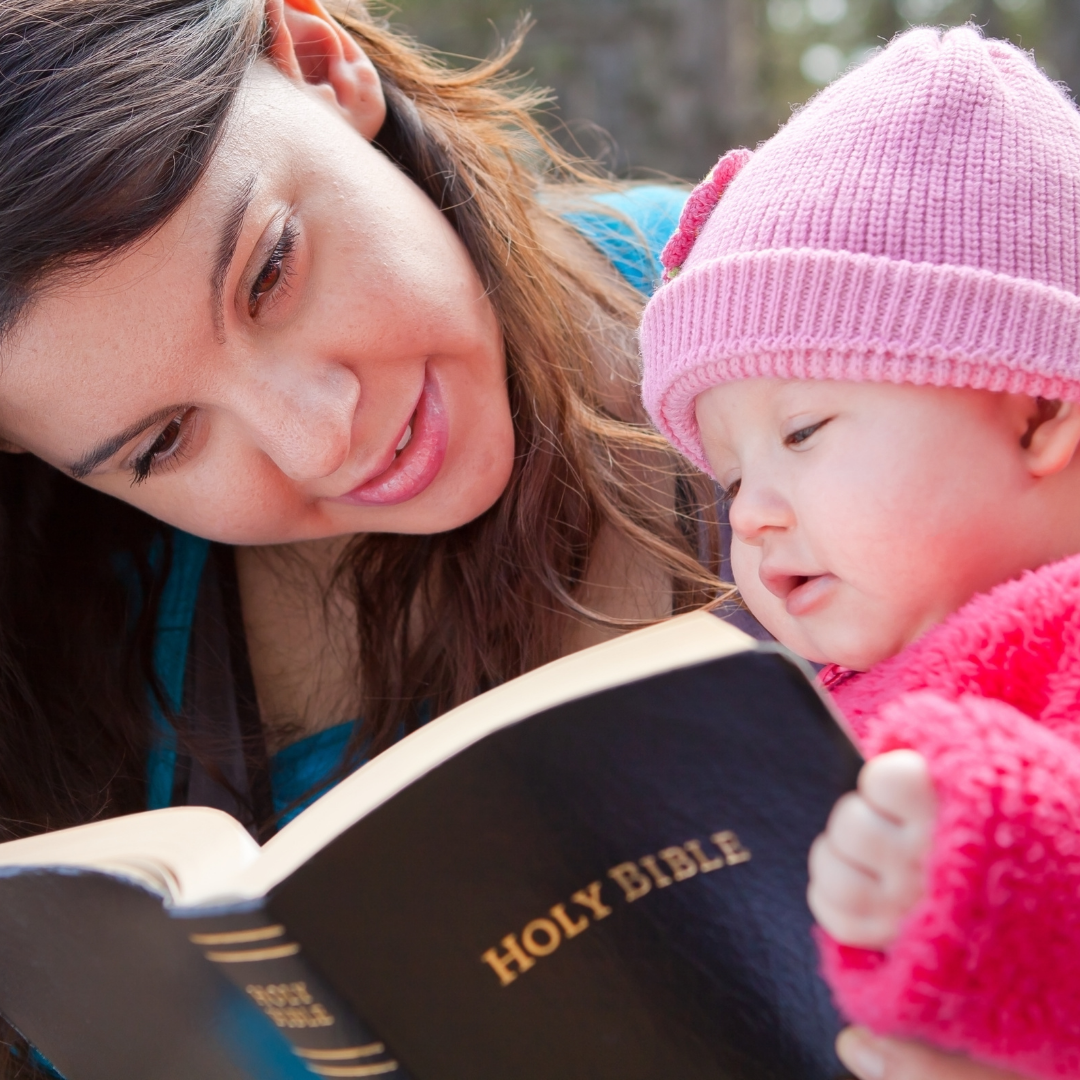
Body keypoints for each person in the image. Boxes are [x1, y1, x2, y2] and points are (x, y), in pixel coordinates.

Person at [0, 0, 730, 1072]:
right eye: (163, 445)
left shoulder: (801, 301)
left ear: (317, 58)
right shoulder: (80, 651)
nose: (316, 437)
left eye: (270, 275)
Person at [640, 23, 1080, 1080]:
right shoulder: (809, 683)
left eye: (802, 434)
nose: (751, 516)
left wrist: (969, 855)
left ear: (1039, 411)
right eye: (734, 478)